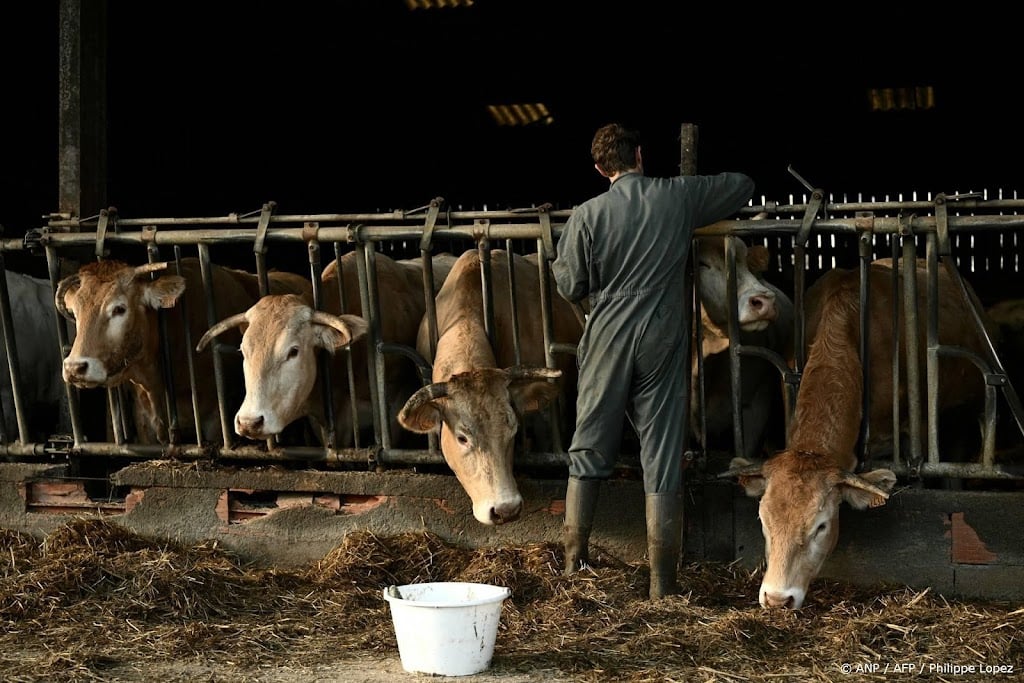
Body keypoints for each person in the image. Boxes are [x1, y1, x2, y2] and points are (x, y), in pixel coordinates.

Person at [551, 123, 754, 600]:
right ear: (640, 155)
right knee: (661, 452)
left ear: (601, 169)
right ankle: (663, 588)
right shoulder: (677, 196)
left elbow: (569, 285)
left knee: (589, 445)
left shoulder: (587, 215)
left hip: (607, 335)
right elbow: (742, 184)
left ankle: (572, 568)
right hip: (663, 334)